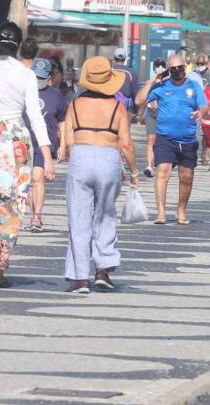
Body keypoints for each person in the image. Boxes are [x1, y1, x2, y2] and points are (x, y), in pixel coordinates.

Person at [0, 22, 54, 288]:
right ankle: (0, 272)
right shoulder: (26, 74)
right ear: (18, 46)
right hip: (16, 141)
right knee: (13, 204)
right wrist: (47, 156)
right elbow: (36, 117)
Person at [61, 56, 139, 294]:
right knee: (105, 215)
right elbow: (125, 143)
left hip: (81, 156)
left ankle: (80, 277)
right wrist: (133, 171)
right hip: (108, 157)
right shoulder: (117, 107)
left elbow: (69, 140)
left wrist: (78, 157)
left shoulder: (74, 104)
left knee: (78, 217)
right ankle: (103, 270)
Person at [135, 53, 209, 225]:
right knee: (163, 172)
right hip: (165, 138)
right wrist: (150, 82)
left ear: (185, 68)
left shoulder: (193, 86)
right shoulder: (161, 86)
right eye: (173, 69)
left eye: (180, 68)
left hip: (187, 139)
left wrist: (201, 111)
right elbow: (139, 100)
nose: (177, 71)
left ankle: (181, 210)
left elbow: (204, 105)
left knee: (186, 177)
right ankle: (161, 213)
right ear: (168, 70)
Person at [22, 58, 68, 233]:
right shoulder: (23, 92)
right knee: (27, 183)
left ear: (48, 77)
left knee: (37, 177)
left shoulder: (55, 95)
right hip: (23, 142)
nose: (38, 80)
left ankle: (37, 216)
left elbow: (62, 121)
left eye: (41, 77)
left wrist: (63, 144)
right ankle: (33, 211)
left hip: (43, 145)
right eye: (35, 76)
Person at [138, 58, 167, 178]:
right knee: (151, 140)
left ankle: (162, 164)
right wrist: (141, 113)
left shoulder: (168, 81)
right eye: (157, 65)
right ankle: (150, 166)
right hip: (151, 112)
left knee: (162, 141)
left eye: (161, 65)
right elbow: (144, 98)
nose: (159, 67)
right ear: (154, 67)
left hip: (164, 114)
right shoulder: (151, 81)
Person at [113, 48, 138, 115]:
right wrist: (134, 109)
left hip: (110, 106)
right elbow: (135, 93)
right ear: (125, 58)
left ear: (114, 58)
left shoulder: (109, 71)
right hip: (124, 108)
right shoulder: (131, 72)